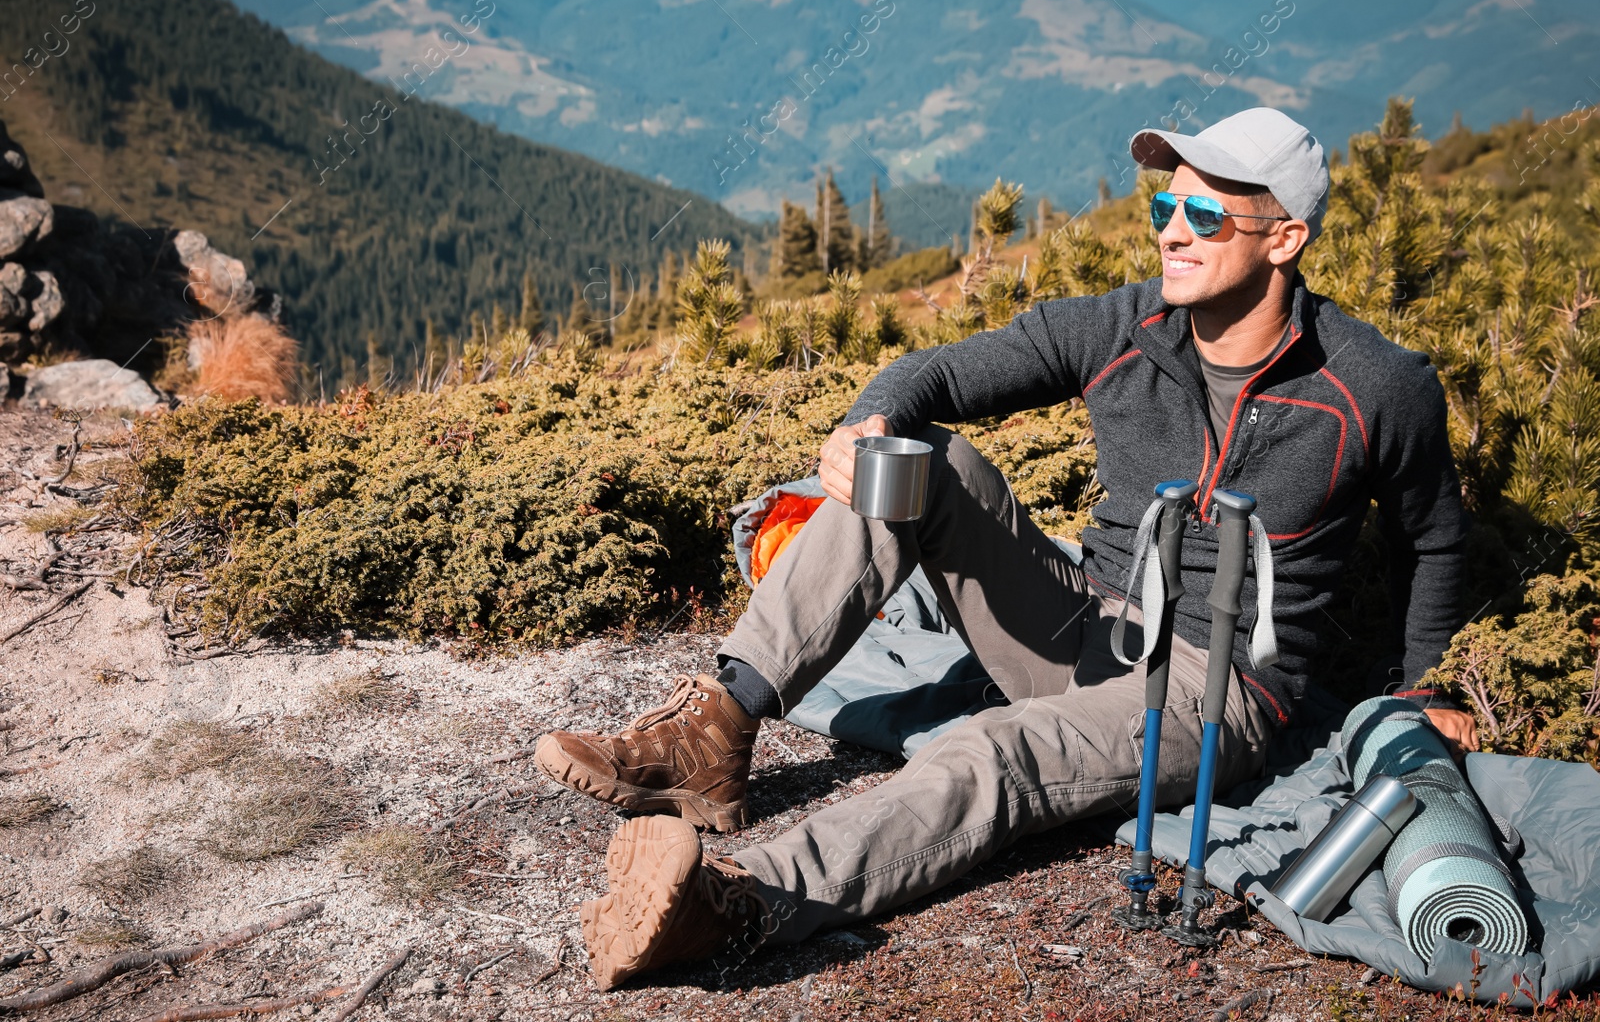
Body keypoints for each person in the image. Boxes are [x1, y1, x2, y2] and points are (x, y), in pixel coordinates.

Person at [534, 108, 1475, 990]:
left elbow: (1438, 539)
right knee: (918, 458)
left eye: (1203, 213)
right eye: (1163, 204)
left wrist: (1427, 688)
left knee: (993, 748)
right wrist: (871, 423)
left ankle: (742, 900)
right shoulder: (1123, 327)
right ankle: (716, 731)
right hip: (1085, 624)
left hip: (1215, 683)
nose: (1171, 231)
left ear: (1285, 239)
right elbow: (938, 372)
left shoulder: (1375, 388)